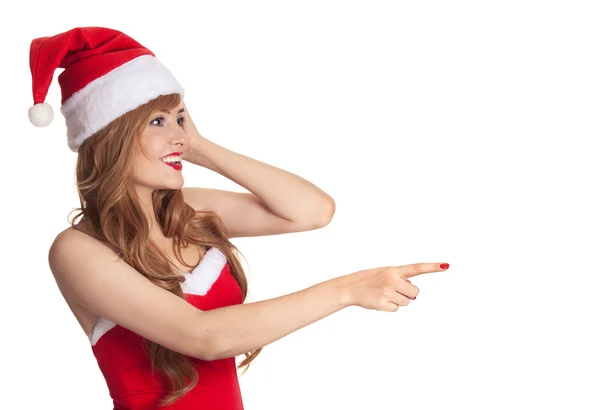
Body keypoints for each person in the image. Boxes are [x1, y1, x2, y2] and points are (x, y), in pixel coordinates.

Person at [31, 26, 451, 410]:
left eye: (180, 118)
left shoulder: (186, 209)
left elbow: (312, 211)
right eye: (157, 121)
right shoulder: (76, 250)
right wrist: (348, 290)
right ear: (111, 138)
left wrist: (196, 145)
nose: (178, 132)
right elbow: (204, 337)